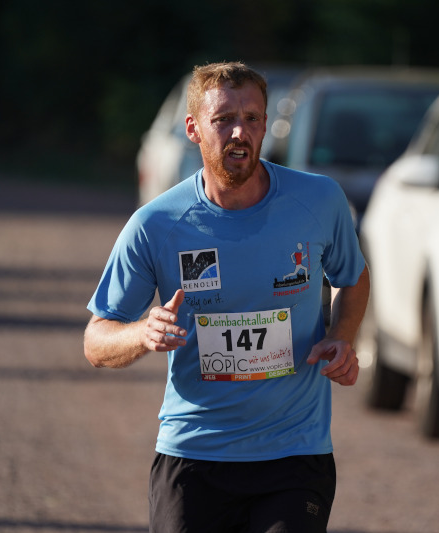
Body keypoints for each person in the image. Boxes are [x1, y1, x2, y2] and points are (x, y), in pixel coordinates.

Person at [84, 61, 369, 533]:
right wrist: (141, 332)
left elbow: (352, 276)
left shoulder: (318, 201)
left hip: (294, 452)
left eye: (253, 118)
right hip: (195, 455)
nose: (240, 132)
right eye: (224, 120)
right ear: (194, 128)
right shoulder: (156, 225)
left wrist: (342, 336)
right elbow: (96, 343)